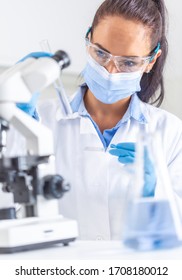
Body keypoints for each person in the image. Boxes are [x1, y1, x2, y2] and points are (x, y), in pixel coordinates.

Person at [9, 0, 182, 240]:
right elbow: (8, 205)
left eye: (128, 62)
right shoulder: (38, 121)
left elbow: (176, 233)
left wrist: (155, 190)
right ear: (88, 40)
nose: (110, 71)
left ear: (151, 61)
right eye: (101, 53)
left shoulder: (171, 133)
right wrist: (12, 125)